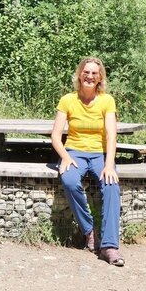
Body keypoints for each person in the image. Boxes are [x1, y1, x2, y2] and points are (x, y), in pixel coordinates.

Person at [51, 56, 125, 267]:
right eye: (86, 72)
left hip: (100, 154)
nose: (90, 76)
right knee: (70, 181)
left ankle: (109, 247)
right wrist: (65, 157)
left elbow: (111, 135)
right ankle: (89, 231)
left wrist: (109, 164)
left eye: (94, 73)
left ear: (100, 77)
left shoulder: (107, 100)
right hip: (74, 152)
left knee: (111, 185)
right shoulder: (67, 99)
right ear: (79, 74)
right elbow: (56, 136)